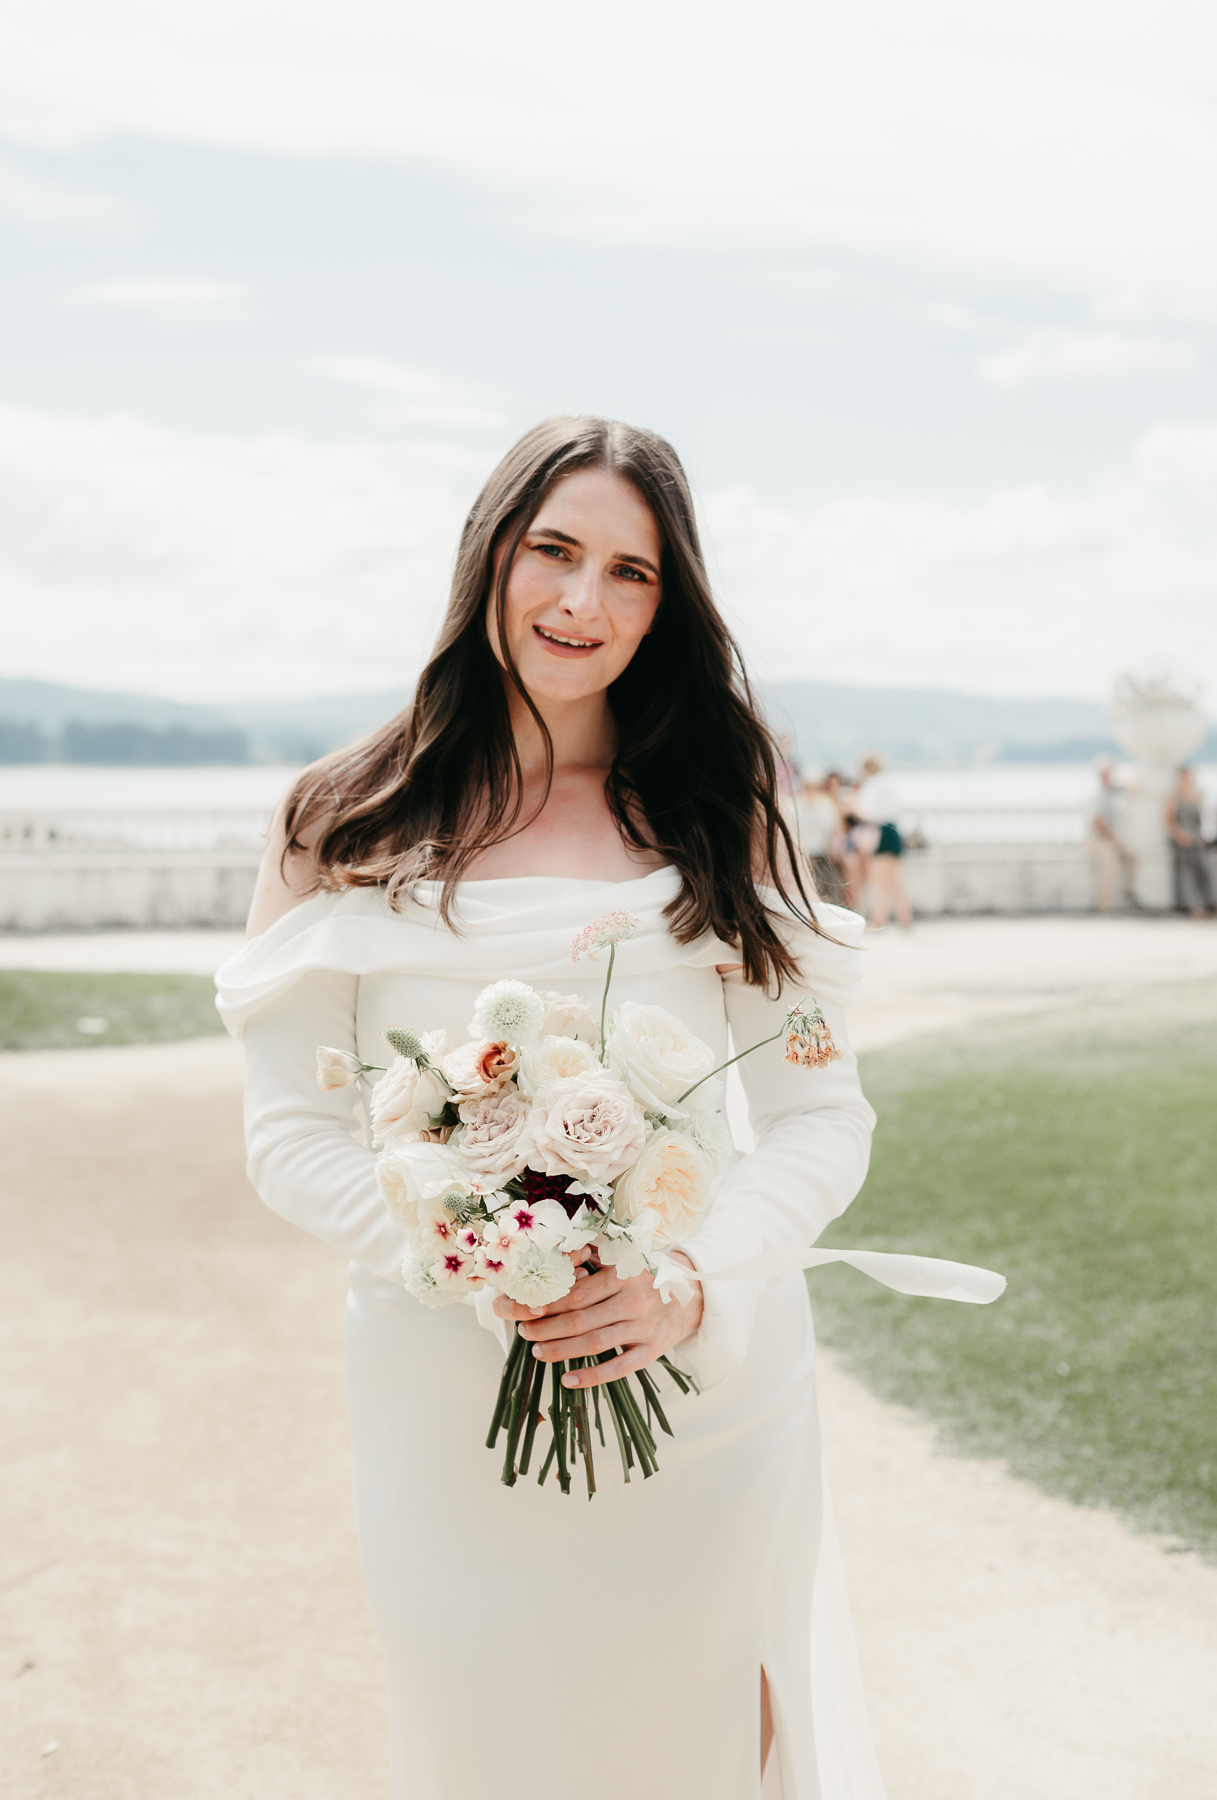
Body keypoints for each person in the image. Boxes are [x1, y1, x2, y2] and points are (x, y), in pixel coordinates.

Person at [215, 417, 884, 1800]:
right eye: (555, 552)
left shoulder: (719, 816)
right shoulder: (339, 822)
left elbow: (822, 1114)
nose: (585, 603)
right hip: (441, 1390)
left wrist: (690, 1280)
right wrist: (474, 1254)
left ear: (669, 600)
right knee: (489, 1745)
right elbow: (288, 1134)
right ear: (490, 560)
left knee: (708, 1744)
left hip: (704, 1384)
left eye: (631, 572)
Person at [853, 754, 912, 929]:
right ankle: (904, 916)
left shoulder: (872, 784)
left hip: (879, 831)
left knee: (879, 879)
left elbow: (866, 811)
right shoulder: (889, 781)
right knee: (893, 878)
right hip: (893, 830)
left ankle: (880, 919)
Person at [791, 765, 848, 903]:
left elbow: (838, 831)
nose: (811, 790)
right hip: (801, 857)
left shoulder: (826, 805)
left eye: (814, 786)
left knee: (827, 891)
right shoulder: (792, 805)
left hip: (823, 856)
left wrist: (836, 846)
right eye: (808, 786)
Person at [1166, 766, 1214, 917]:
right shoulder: (1174, 797)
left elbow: (1205, 819)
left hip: (1197, 838)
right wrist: (1180, 836)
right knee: (1187, 874)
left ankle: (1210, 902)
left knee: (1205, 870)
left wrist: (1204, 836)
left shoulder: (1197, 795)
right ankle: (1195, 906)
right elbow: (1169, 821)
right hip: (1182, 840)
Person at [1090, 760, 1136, 912]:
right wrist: (1111, 837)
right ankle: (1104, 906)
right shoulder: (1099, 794)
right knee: (1109, 868)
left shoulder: (1113, 790)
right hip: (1101, 838)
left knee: (1133, 857)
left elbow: (1129, 788)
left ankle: (1129, 891)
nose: (1109, 776)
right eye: (1106, 774)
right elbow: (1098, 821)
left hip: (1113, 837)